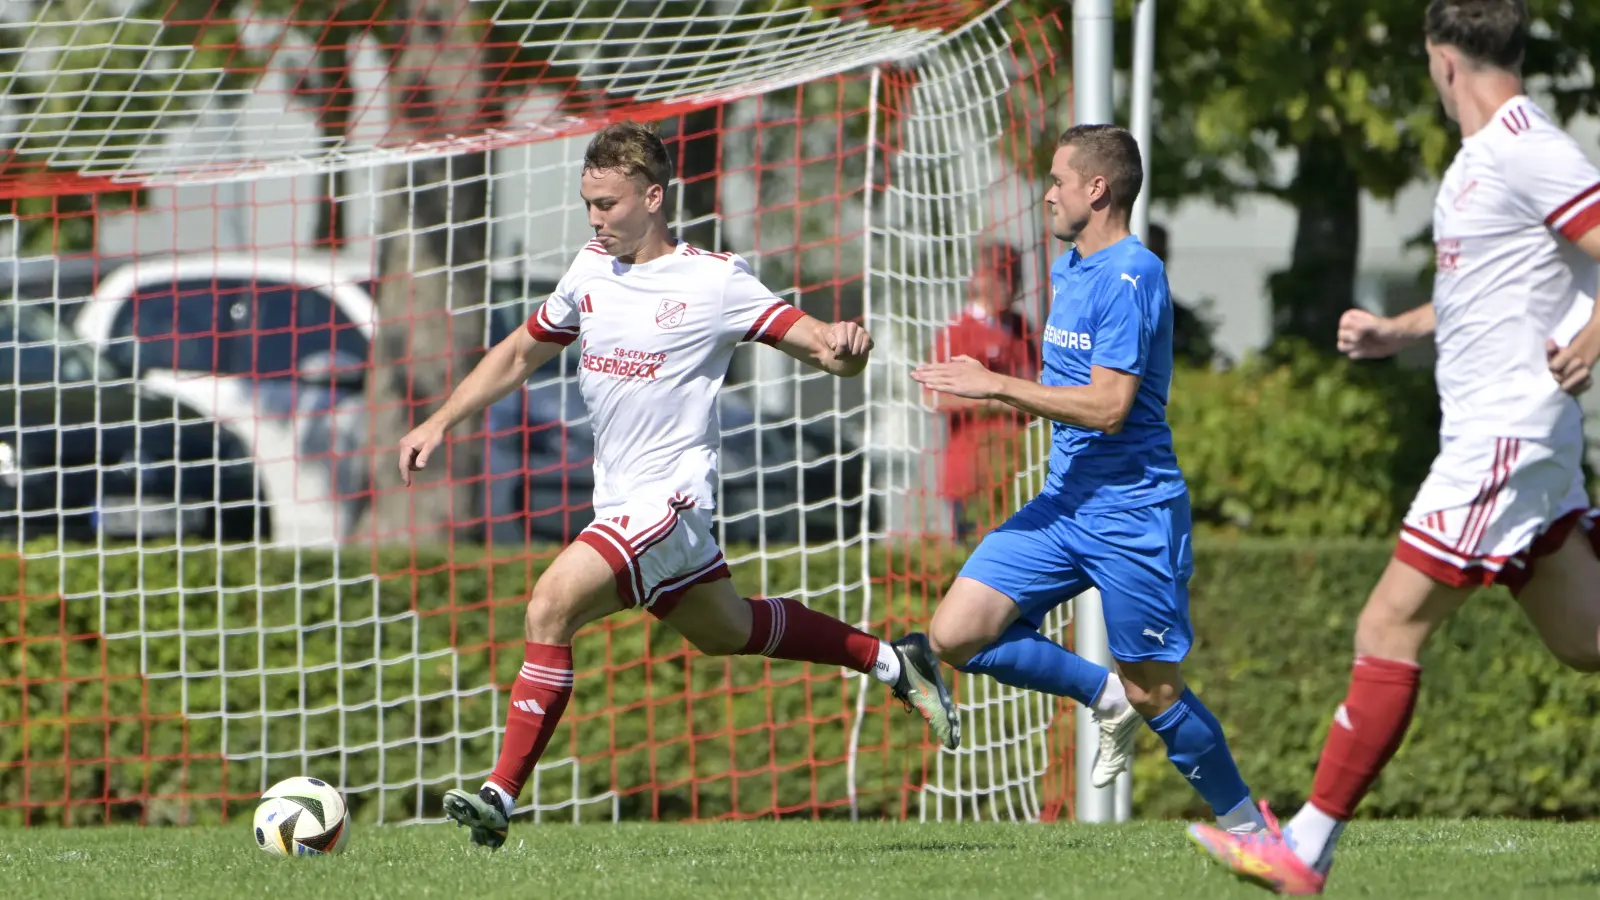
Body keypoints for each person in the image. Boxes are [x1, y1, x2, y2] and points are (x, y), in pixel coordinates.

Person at [398, 121, 960, 849]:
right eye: (587, 204)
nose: (596, 219)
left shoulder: (714, 280)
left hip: (670, 504)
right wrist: (440, 421)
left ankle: (499, 795)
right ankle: (893, 658)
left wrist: (849, 348)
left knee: (549, 607)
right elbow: (516, 354)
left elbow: (821, 345)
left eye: (608, 203)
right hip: (626, 506)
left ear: (654, 197)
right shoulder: (590, 269)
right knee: (730, 631)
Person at [1185, 1, 1600, 893]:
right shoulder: (1486, 161)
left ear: (1442, 61)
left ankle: (1305, 846)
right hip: (1516, 441)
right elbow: (1487, 292)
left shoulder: (1530, 147)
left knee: (1386, 625)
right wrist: (1396, 332)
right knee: (1586, 640)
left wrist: (1595, 337)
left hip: (1504, 437)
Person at [907, 123, 1266, 835]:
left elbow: (1109, 407)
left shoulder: (1135, 274)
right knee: (955, 634)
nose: (1047, 195)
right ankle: (1102, 695)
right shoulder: (1069, 267)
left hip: (1134, 513)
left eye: (1058, 180)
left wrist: (996, 387)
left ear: (1095, 189)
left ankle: (1252, 830)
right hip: (1064, 504)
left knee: (1156, 692)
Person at [926, 241, 1040, 540]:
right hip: (971, 475)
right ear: (980, 277)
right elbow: (933, 397)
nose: (1010, 284)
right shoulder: (957, 331)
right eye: (1002, 275)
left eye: (1014, 275)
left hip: (1019, 471)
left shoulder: (1022, 330)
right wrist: (998, 397)